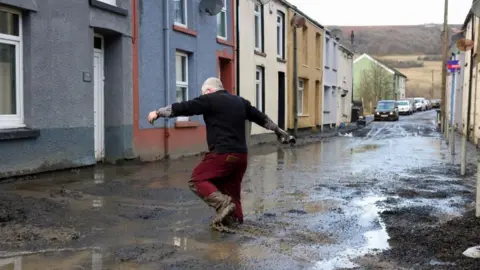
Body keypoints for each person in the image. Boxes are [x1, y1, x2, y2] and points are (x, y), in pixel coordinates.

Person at [147, 77, 295, 232]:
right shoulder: (240, 102)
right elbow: (260, 117)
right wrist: (279, 131)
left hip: (222, 154)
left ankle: (222, 204)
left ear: (209, 91)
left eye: (204, 93)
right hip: (241, 157)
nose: (204, 96)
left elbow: (184, 107)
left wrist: (158, 113)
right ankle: (237, 225)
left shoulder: (210, 100)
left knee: (197, 179)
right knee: (233, 194)